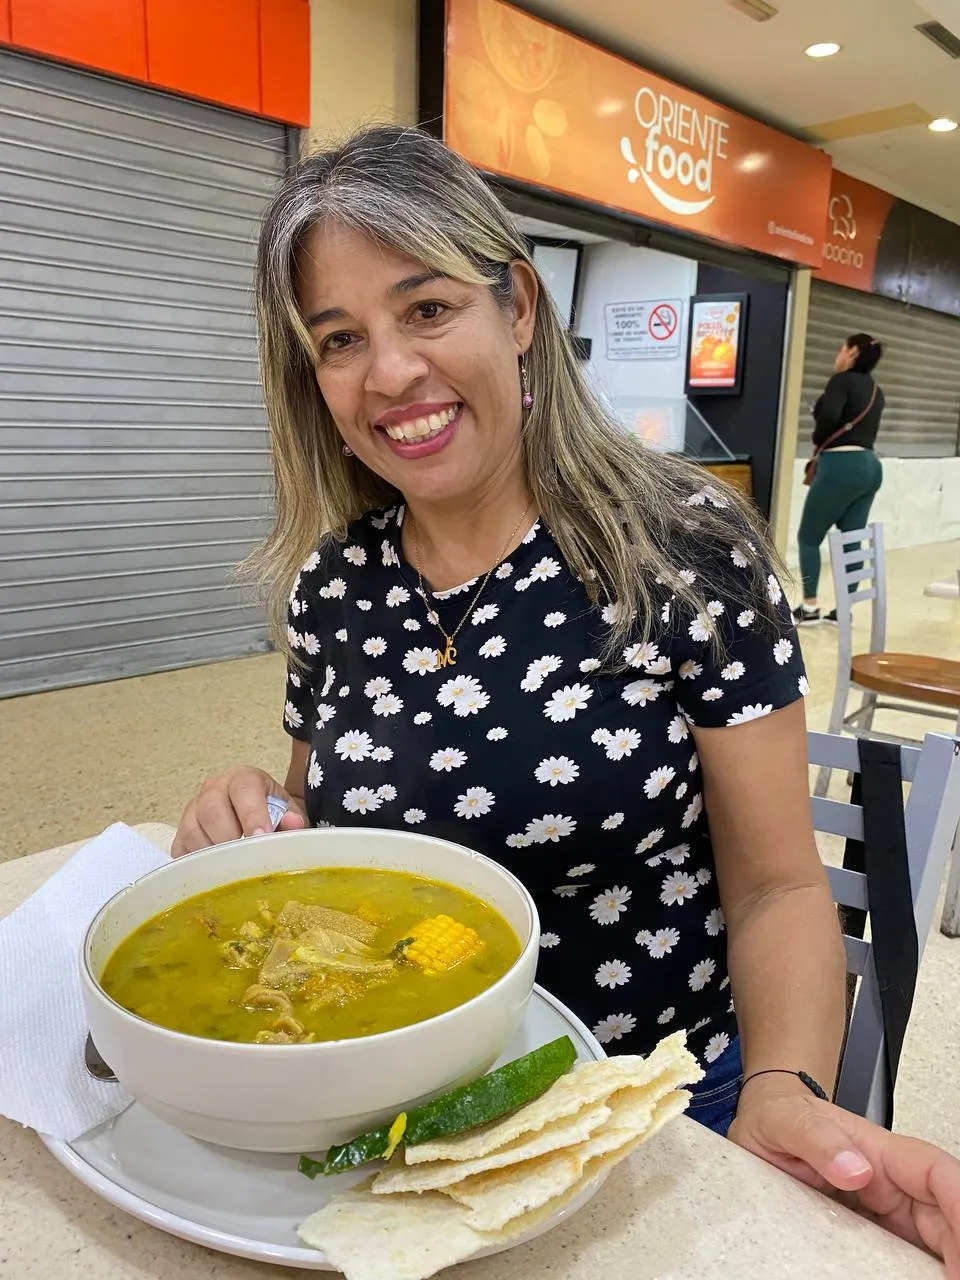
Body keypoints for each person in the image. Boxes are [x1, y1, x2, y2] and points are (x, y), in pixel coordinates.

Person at [173, 127, 960, 1269]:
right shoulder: (332, 584)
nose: (389, 373)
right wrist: (251, 815)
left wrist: (784, 1087)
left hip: (640, 1119)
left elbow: (783, 883)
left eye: (428, 308)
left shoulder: (682, 548)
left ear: (521, 310)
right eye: (339, 339)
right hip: (391, 1125)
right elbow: (326, 846)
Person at [793, 334, 885, 626]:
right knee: (851, 540)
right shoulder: (876, 390)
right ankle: (843, 610)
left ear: (853, 352)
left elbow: (829, 416)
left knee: (808, 537)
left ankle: (809, 607)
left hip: (840, 465)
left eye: (841, 348)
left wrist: (819, 434)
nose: (838, 354)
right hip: (870, 466)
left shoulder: (841, 381)